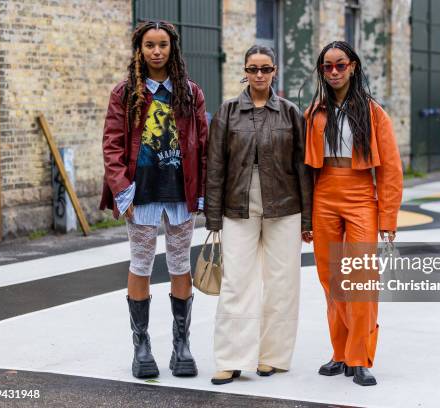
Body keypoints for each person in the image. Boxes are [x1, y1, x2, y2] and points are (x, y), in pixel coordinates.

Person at [99, 20, 208, 379]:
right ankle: (142, 345)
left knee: (180, 264)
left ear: (173, 49)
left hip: (179, 192)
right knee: (141, 263)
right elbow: (112, 144)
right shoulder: (124, 92)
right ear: (140, 50)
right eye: (150, 45)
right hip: (141, 191)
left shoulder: (190, 92)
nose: (157, 51)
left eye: (163, 45)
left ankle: (181, 345)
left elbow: (203, 146)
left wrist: (203, 192)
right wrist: (121, 190)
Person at [205, 45, 313, 385]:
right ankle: (231, 358)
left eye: (265, 68)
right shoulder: (227, 111)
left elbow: (303, 167)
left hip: (285, 206)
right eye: (253, 69)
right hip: (238, 207)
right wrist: (212, 218)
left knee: (283, 283)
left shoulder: (291, 113)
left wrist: (308, 220)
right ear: (245, 71)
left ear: (275, 71)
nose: (260, 75)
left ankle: (273, 356)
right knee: (237, 283)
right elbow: (216, 166)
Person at [304, 41, 403, 386]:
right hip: (324, 194)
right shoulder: (314, 112)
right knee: (331, 281)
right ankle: (341, 352)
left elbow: (390, 169)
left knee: (360, 279)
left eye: (340, 65)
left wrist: (388, 218)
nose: (333, 72)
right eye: (327, 67)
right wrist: (305, 216)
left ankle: (360, 356)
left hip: (361, 195)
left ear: (353, 67)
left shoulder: (374, 113)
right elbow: (303, 170)